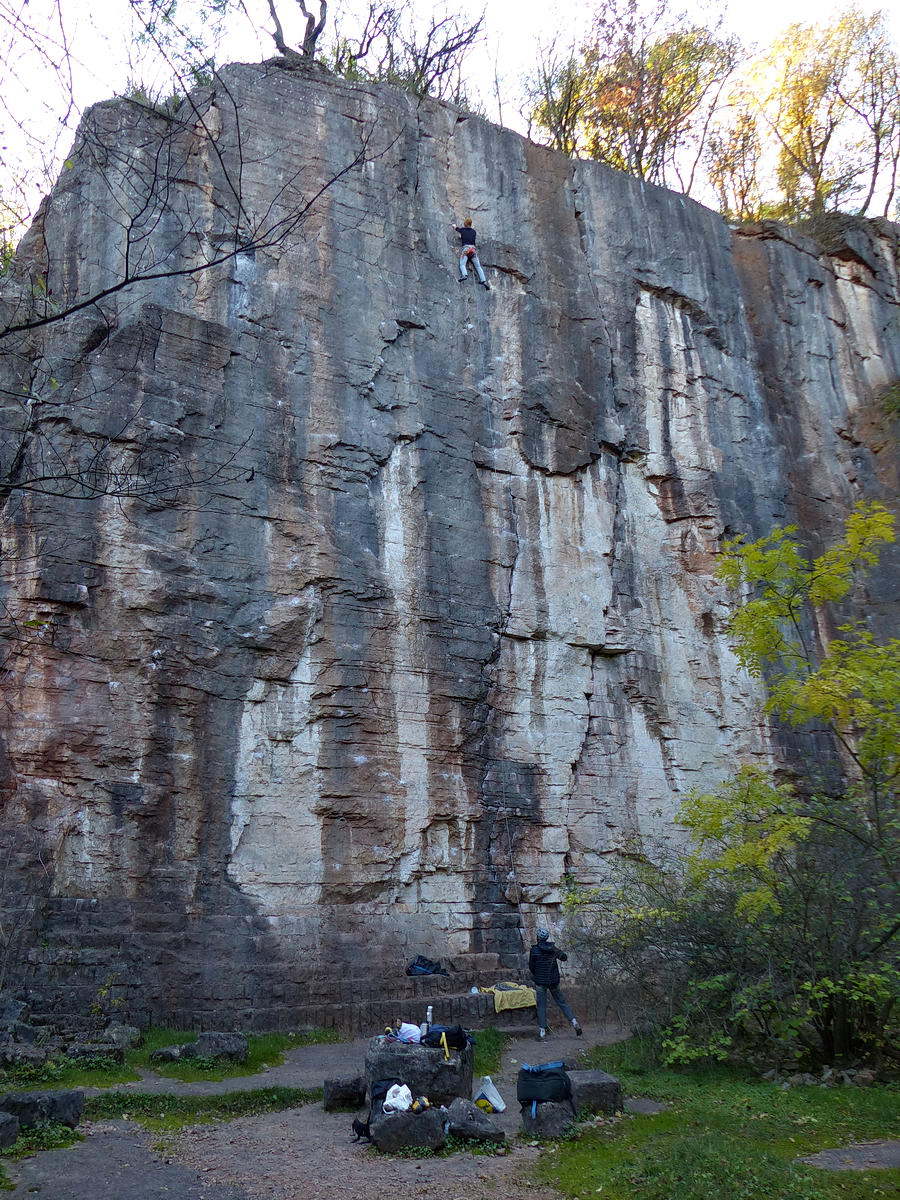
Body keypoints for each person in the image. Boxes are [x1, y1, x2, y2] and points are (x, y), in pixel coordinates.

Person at [528, 927, 582, 1040]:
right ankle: (574, 1022)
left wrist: (537, 975)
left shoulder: (534, 950)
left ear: (538, 938)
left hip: (540, 982)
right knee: (562, 1002)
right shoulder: (553, 949)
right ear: (547, 937)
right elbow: (564, 957)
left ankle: (542, 1032)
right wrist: (557, 951)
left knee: (541, 1006)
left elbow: (531, 967)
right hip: (553, 981)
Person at [453, 217, 490, 289]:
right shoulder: (474, 232)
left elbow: (456, 228)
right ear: (470, 224)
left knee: (462, 264)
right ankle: (483, 280)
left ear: (465, 223)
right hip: (473, 250)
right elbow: (469, 236)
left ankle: (464, 275)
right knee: (478, 267)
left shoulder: (463, 230)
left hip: (466, 250)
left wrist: (454, 226)